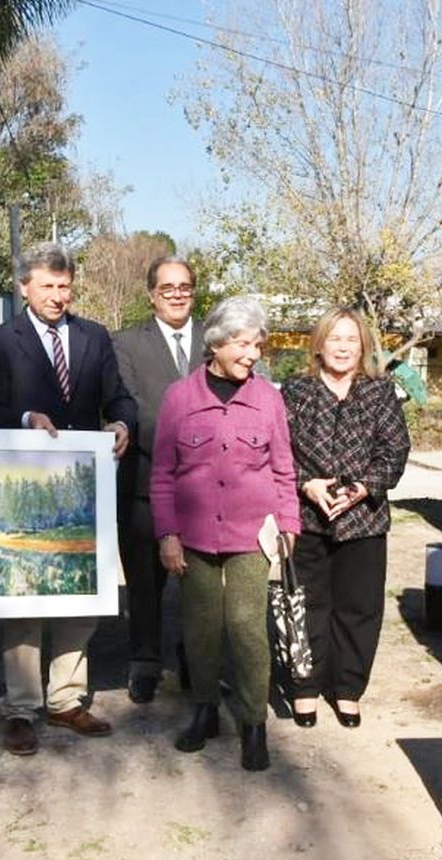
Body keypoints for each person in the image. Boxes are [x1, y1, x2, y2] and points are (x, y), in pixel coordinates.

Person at [0, 242, 137, 756]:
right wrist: (24, 420)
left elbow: (119, 395)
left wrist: (123, 421)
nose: (58, 296)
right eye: (47, 286)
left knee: (79, 595)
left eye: (65, 287)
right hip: (26, 486)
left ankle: (65, 699)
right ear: (24, 287)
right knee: (25, 599)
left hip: (84, 486)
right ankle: (21, 707)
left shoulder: (94, 336)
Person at [152, 295, 300, 771]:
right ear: (215, 343)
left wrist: (289, 525)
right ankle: (205, 710)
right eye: (242, 343)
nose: (252, 354)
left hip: (251, 535)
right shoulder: (179, 398)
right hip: (193, 537)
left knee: (245, 627)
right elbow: (162, 475)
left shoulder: (269, 399)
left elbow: (283, 470)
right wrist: (167, 534)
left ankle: (254, 723)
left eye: (257, 345)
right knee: (199, 628)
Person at [281, 308, 410, 728]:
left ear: (363, 347)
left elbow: (395, 452)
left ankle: (348, 689)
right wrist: (307, 484)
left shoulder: (380, 391)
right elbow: (277, 451)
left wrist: (361, 489)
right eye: (334, 338)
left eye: (351, 340)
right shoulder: (296, 391)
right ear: (318, 344)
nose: (342, 347)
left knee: (359, 607)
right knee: (307, 605)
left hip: (364, 520)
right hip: (307, 516)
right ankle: (304, 688)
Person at [113, 254, 205, 703]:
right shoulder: (126, 344)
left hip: (208, 490)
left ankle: (196, 662)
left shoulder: (215, 338)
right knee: (145, 584)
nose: (176, 295)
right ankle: (145, 663)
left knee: (202, 586)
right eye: (167, 287)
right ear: (151, 294)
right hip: (144, 484)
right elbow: (129, 405)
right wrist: (187, 439)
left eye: (184, 286)